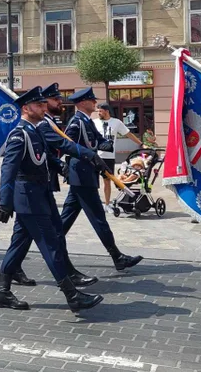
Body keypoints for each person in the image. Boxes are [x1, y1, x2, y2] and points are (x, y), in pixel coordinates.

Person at [0, 86, 106, 311]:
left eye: (45, 104)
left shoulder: (35, 131)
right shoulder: (20, 134)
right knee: (51, 244)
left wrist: (62, 166)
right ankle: (72, 295)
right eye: (39, 105)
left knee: (19, 244)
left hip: (41, 195)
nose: (44, 107)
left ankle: (2, 292)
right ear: (26, 108)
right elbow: (8, 169)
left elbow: (45, 158)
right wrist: (5, 202)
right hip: (28, 199)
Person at [59, 87, 143, 272]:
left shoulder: (87, 121)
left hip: (85, 174)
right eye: (91, 100)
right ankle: (117, 257)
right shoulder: (76, 123)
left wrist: (105, 144)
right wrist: (89, 155)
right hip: (81, 174)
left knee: (65, 219)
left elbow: (97, 140)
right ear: (82, 103)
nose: (95, 103)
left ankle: (51, 247)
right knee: (98, 218)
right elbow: (66, 146)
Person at [37, 83, 104, 287]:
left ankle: (9, 275)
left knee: (31, 234)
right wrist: (88, 155)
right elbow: (64, 145)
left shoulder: (50, 121)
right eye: (55, 99)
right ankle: (68, 278)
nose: (60, 102)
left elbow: (53, 152)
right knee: (51, 230)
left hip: (45, 183)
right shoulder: (42, 125)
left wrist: (60, 167)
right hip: (35, 186)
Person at [93, 102, 142, 206]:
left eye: (100, 111)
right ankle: (95, 203)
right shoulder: (93, 122)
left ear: (107, 111)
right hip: (95, 156)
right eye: (98, 111)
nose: (98, 113)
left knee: (107, 181)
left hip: (109, 157)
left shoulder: (116, 123)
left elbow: (128, 134)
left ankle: (107, 203)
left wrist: (141, 144)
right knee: (93, 181)